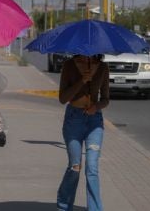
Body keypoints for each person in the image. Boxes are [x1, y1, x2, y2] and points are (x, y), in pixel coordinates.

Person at [56, 54, 109, 211]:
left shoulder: (103, 67)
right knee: (75, 167)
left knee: (92, 167)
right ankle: (64, 206)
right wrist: (82, 80)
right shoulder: (69, 65)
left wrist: (96, 107)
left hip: (94, 122)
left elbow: (106, 99)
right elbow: (62, 98)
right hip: (74, 120)